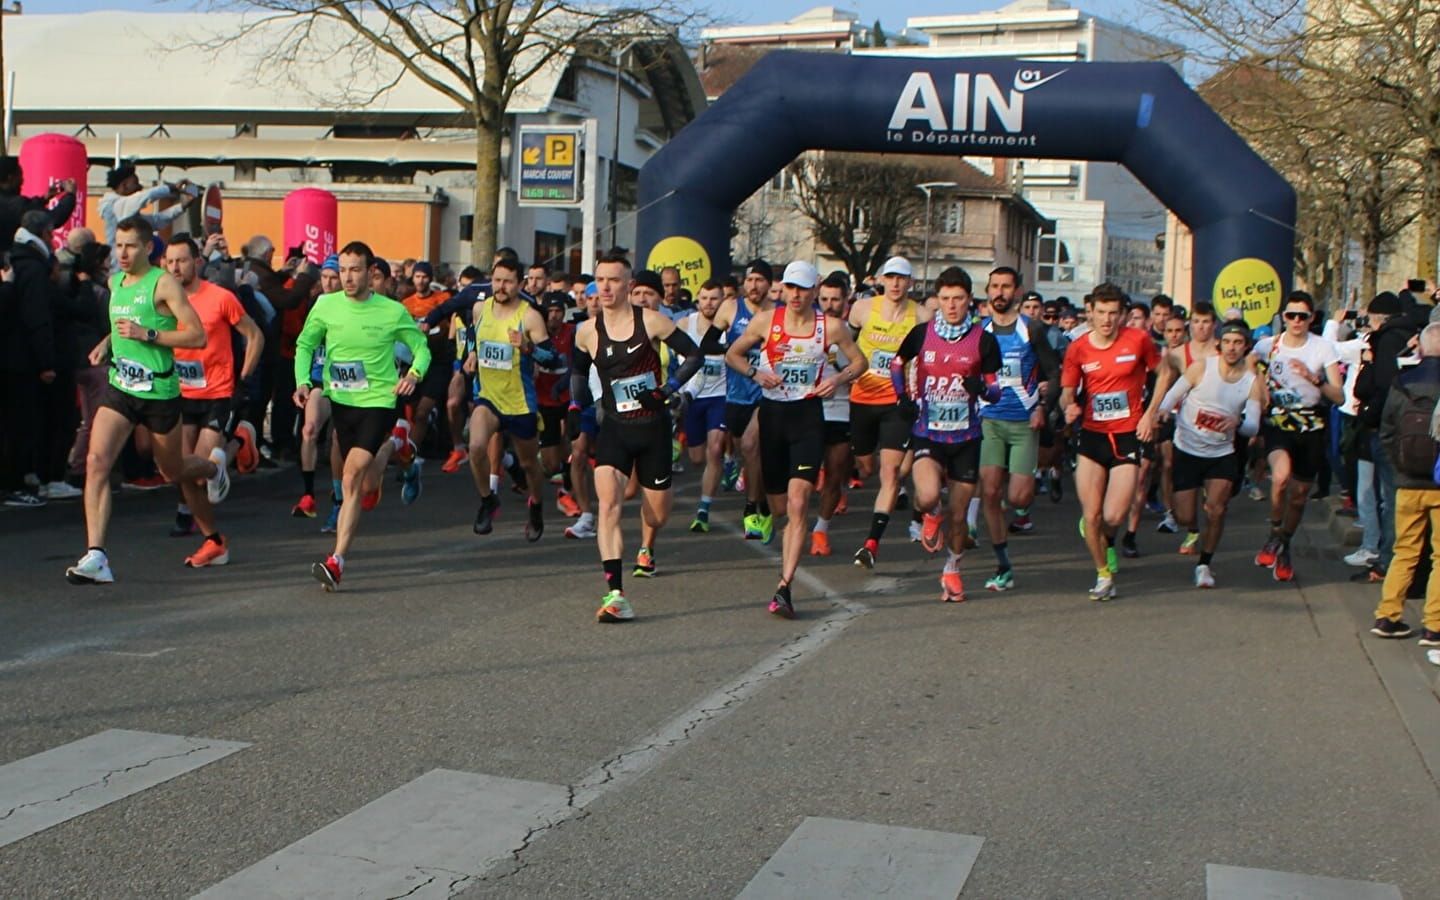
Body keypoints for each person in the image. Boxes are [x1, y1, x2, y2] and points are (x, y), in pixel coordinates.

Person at [65, 216, 229, 584]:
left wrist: (147, 333)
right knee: (96, 461)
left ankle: (211, 469)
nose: (122, 253)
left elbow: (197, 337)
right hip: (121, 388)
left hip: (159, 393)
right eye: (118, 245)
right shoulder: (114, 282)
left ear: (147, 247)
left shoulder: (164, 284)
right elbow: (123, 321)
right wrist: (109, 342)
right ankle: (97, 556)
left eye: (131, 246)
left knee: (173, 471)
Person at [724, 260, 864, 616]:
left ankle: (784, 587)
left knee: (800, 502)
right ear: (782, 289)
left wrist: (837, 379)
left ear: (813, 291)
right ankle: (771, 519)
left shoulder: (830, 327)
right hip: (774, 415)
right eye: (790, 287)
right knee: (781, 507)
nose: (796, 295)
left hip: (807, 417)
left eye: (802, 288)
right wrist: (756, 373)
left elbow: (860, 362)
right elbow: (732, 354)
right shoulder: (765, 322)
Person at [292, 241, 431, 591]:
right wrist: (303, 381)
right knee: (367, 486)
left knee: (352, 478)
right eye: (343, 270)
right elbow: (305, 345)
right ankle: (396, 446)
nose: (348, 277)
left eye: (355, 270)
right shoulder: (325, 305)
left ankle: (336, 561)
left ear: (371, 273)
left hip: (378, 402)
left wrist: (413, 375)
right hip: (342, 402)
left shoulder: (391, 311)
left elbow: (420, 348)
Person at [572, 253, 703, 622]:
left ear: (629, 286)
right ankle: (615, 593)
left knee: (658, 513)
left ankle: (649, 537)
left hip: (653, 430)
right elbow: (579, 373)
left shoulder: (652, 322)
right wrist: (573, 407)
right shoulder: (586, 331)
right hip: (614, 428)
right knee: (609, 504)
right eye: (601, 280)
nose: (606, 287)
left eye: (614, 280)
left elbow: (693, 355)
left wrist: (668, 390)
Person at [893, 266, 1001, 602]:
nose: (951, 305)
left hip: (966, 438)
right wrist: (902, 397)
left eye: (958, 299)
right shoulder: (922, 333)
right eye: (945, 298)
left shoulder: (984, 339)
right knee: (926, 496)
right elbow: (898, 363)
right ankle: (929, 514)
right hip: (929, 432)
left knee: (959, 517)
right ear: (937, 300)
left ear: (970, 300)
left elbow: (996, 391)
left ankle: (952, 569)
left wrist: (980, 388)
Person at [163, 234, 265, 564]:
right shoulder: (163, 301)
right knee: (178, 471)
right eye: (170, 261)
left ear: (197, 262)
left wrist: (244, 380)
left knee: (193, 471)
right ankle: (214, 541)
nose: (175, 267)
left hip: (218, 392)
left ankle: (230, 448)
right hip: (181, 394)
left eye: (181, 260)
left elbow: (254, 336)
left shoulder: (220, 297)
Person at [1061, 283, 1162, 600]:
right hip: (1092, 436)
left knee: (1114, 516)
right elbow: (1067, 391)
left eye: (1113, 313)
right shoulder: (1078, 348)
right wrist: (1069, 406)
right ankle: (1103, 575)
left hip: (1127, 435)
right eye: (1101, 312)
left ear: (1123, 314)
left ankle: (1103, 537)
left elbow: (1164, 373)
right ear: (1091, 312)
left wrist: (1151, 412)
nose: (1106, 320)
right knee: (1091, 515)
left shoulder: (1139, 340)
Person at [1155, 320, 1261, 587]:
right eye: (1227, 342)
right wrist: (1164, 410)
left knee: (1216, 510)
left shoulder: (1252, 382)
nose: (1232, 348)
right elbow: (1172, 395)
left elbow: (1253, 426)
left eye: (1238, 343)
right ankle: (1192, 529)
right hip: (1188, 449)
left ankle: (1204, 564)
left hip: (1221, 454)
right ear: (1219, 344)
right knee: (1184, 516)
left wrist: (1238, 423)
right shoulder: (1201, 368)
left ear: (1246, 346)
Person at [977, 265, 1061, 591]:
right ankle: (1003, 564)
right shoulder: (977, 331)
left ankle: (1023, 494)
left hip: (1025, 422)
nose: (1000, 292)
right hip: (990, 422)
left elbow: (1054, 373)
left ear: (1017, 292)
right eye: (994, 286)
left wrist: (1044, 408)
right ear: (988, 290)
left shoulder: (1033, 330)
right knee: (991, 492)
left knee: (1018, 496)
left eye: (1006, 287)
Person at [1249, 291, 1343, 582]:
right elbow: (1246, 365)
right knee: (1279, 478)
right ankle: (1274, 533)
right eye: (1291, 315)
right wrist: (1260, 387)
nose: (1297, 321)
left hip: (1312, 424)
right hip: (1278, 421)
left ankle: (1283, 542)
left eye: (1303, 316)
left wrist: (1313, 378)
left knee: (1300, 496)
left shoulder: (1323, 348)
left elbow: (1338, 395)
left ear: (1312, 318)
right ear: (1283, 317)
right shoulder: (1268, 345)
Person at [849, 255, 934, 569]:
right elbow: (844, 342)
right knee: (865, 467)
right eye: (891, 277)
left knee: (890, 473)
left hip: (897, 402)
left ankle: (871, 543)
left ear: (911, 282)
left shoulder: (922, 315)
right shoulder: (861, 309)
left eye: (902, 278)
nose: (896, 284)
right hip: (862, 398)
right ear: (882, 280)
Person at [464, 258, 556, 541]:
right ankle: (487, 500)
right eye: (497, 280)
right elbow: (473, 336)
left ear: (520, 284)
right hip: (488, 396)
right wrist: (471, 354)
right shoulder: (481, 308)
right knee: (476, 447)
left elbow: (552, 357)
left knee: (530, 465)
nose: (501, 287)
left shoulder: (529, 317)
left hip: (519, 402)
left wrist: (527, 347)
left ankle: (537, 505)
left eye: (507, 281)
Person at [1371, 323, 1440, 641]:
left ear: (1421, 348)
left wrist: (1399, 466)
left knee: (1405, 550)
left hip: (1407, 482)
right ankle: (1434, 625)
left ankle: (1387, 615)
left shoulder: (1402, 383)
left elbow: (1386, 432)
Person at [711, 259, 776, 540]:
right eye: (750, 280)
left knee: (753, 446)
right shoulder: (730, 307)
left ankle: (752, 509)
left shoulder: (778, 313)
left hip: (768, 393)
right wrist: (737, 348)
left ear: (770, 285)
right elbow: (709, 343)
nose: (753, 285)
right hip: (737, 393)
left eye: (760, 280)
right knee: (748, 455)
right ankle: (761, 502)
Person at [2, 210, 60, 507]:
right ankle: (15, 482)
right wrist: (46, 361)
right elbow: (36, 318)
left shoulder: (14, 262)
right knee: (21, 424)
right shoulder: (35, 268)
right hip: (22, 359)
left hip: (11, 356)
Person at [676, 279, 728, 532]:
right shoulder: (686, 325)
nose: (709, 303)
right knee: (697, 458)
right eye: (705, 298)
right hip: (692, 397)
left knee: (715, 450)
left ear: (723, 300)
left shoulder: (728, 327)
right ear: (698, 300)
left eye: (714, 298)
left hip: (721, 396)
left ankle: (703, 509)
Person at [811, 271, 857, 555]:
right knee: (801, 479)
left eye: (835, 299)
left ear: (846, 299)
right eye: (824, 299)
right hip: (809, 411)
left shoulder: (852, 331)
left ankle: (820, 530)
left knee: (836, 473)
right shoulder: (807, 328)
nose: (829, 305)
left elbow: (860, 369)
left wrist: (841, 375)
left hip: (841, 409)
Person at [535, 291, 582, 517]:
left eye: (558, 312)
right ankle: (563, 476)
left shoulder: (572, 333)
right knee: (551, 464)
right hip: (544, 401)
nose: (554, 316)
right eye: (550, 312)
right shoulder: (536, 335)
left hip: (569, 398)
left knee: (576, 446)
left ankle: (567, 491)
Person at [98, 165, 194, 248]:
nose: (140, 187)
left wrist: (182, 206)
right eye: (135, 183)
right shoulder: (116, 206)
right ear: (125, 185)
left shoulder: (128, 213)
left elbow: (156, 221)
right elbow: (146, 196)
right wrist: (172, 188)